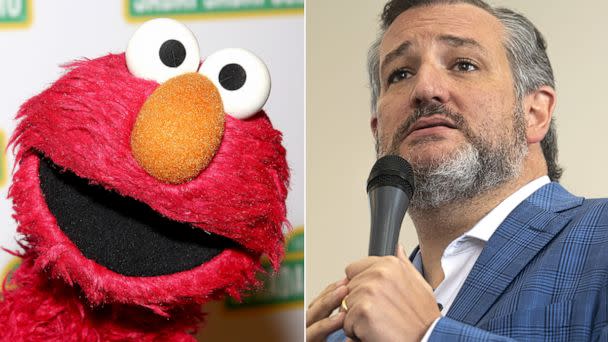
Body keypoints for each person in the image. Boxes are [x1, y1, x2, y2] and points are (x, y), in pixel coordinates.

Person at [306, 0, 608, 341]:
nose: (425, 89)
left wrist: (428, 335)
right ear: (378, 130)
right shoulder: (346, 325)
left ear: (534, 112)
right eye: (401, 74)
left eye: (463, 65)